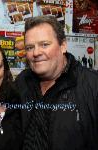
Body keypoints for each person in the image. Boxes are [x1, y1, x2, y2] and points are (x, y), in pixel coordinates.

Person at [14, 16, 98, 150]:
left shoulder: (92, 85)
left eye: (44, 44)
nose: (36, 53)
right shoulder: (22, 82)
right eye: (30, 47)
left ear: (63, 46)